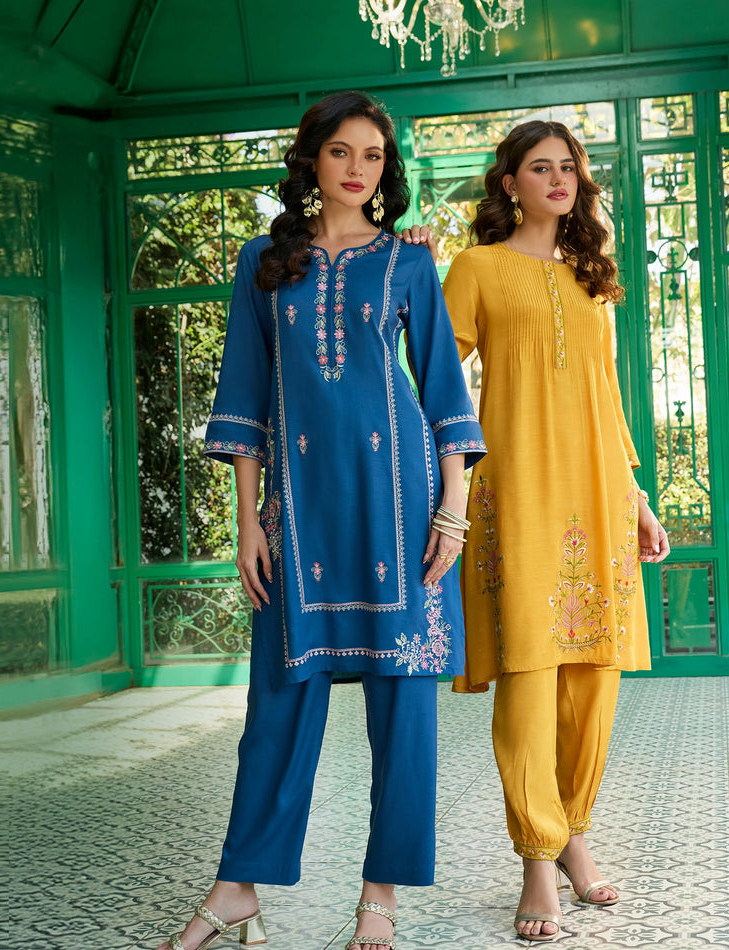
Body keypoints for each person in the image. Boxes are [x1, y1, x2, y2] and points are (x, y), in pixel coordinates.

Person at [157, 90, 485, 950]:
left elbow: (445, 393)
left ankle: (381, 894)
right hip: (298, 510)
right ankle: (237, 888)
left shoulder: (408, 262)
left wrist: (453, 513)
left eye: (373, 155)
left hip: (399, 502)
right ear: (312, 160)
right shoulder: (264, 262)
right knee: (278, 698)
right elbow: (244, 392)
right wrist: (247, 521)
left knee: (403, 703)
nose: (357, 169)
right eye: (341, 152)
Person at [405, 119, 670, 942]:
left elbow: (606, 397)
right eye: (540, 167)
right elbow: (430, 373)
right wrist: (411, 275)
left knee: (594, 678)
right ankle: (536, 862)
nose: (559, 179)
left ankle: (574, 835)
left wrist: (637, 498)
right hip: (516, 492)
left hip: (597, 491)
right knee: (530, 676)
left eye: (568, 168)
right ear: (509, 183)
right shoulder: (478, 268)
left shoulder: (592, 276)